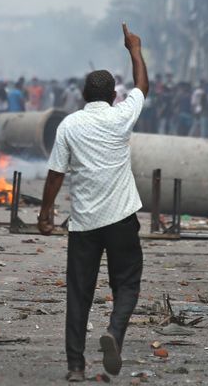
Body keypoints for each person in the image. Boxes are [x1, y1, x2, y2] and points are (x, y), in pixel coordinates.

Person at [37, 24, 148, 382]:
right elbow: (143, 87)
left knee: (79, 294)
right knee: (127, 284)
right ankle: (115, 332)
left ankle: (75, 366)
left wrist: (45, 215)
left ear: (83, 95)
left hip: (84, 224)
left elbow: (55, 175)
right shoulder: (121, 117)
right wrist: (134, 49)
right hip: (121, 219)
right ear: (114, 95)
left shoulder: (69, 125)